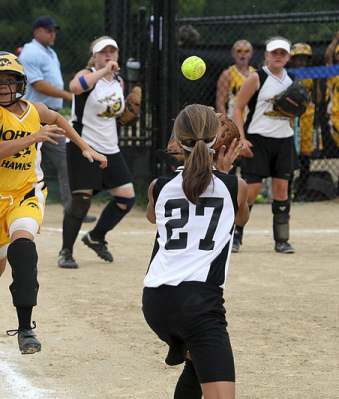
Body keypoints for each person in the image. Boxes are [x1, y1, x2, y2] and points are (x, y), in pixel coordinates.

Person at [0, 51, 107, 354]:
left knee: (23, 247)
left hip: (27, 193)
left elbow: (58, 118)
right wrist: (34, 138)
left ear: (20, 83)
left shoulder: (34, 109)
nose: (3, 88)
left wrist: (86, 148)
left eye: (9, 81)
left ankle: (25, 328)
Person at [143, 104, 249, 399]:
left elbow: (153, 217)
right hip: (198, 303)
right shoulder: (235, 187)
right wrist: (224, 172)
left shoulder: (157, 186)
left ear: (178, 140)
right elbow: (240, 219)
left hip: (155, 301)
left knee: (196, 365)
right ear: (218, 142)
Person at [57, 37, 135, 269]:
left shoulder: (118, 82)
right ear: (95, 56)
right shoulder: (89, 75)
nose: (109, 55)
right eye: (103, 52)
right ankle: (66, 252)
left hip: (110, 147)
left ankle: (96, 237)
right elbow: (74, 87)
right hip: (84, 145)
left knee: (126, 198)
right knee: (81, 201)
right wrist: (102, 71)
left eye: (113, 51)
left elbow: (113, 114)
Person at [18, 15, 96, 223]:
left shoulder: (49, 52)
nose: (53, 33)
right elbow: (37, 85)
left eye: (54, 30)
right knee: (23, 159)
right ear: (37, 32)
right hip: (33, 117)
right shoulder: (31, 52)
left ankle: (73, 209)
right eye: (49, 30)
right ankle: (21, 203)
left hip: (50, 116)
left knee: (66, 159)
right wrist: (68, 95)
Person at [232, 37, 299, 254]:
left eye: (283, 53)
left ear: (288, 57)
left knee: (281, 190)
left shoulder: (292, 80)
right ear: (267, 55)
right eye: (274, 53)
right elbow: (238, 108)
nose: (278, 56)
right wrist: (241, 138)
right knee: (251, 192)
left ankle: (282, 240)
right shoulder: (257, 77)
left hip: (284, 139)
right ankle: (235, 235)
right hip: (258, 139)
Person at [288, 43, 321, 200]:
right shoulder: (286, 74)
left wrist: (315, 86)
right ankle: (287, 190)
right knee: (289, 156)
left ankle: (301, 192)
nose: (301, 62)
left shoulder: (311, 74)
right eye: (298, 59)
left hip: (307, 118)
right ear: (292, 60)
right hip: (289, 119)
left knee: (305, 157)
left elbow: (318, 98)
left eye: (304, 59)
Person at [216, 40, 256, 119]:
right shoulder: (227, 74)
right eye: (239, 51)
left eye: (247, 51)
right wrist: (226, 123)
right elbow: (220, 103)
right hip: (234, 119)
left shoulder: (256, 74)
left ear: (251, 54)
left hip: (253, 120)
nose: (243, 53)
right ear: (233, 53)